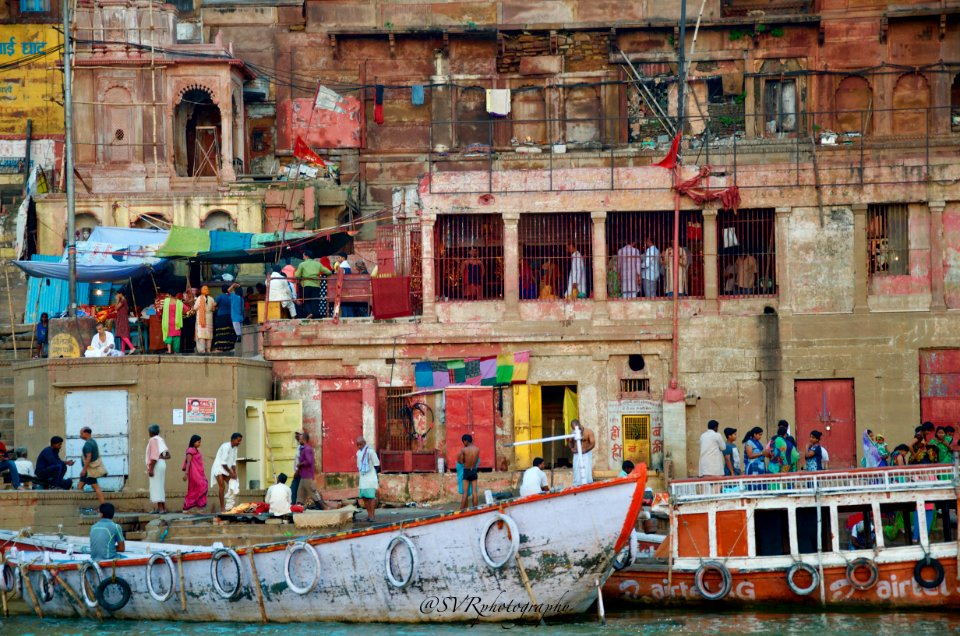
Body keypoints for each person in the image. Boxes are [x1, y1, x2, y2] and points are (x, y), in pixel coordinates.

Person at [296, 431, 328, 509]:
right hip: (303, 476)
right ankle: (299, 508)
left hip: (307, 476)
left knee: (313, 493)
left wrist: (300, 464)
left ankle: (324, 508)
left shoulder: (307, 449)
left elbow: (309, 461)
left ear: (303, 440)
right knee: (300, 494)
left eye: (300, 439)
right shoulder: (304, 449)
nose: (299, 441)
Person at [210, 433, 242, 513]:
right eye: (238, 441)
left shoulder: (235, 448)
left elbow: (234, 462)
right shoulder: (225, 446)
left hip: (227, 469)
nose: (239, 443)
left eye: (240, 441)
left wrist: (234, 472)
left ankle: (229, 505)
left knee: (233, 484)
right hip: (219, 468)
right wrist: (231, 473)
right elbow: (223, 463)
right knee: (222, 487)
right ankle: (222, 508)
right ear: (233, 440)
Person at [295, 251, 332, 319]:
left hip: (306, 285)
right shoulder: (318, 264)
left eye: (303, 256)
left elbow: (297, 275)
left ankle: (310, 313)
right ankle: (315, 317)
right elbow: (329, 272)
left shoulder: (302, 264)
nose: (303, 257)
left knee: (306, 301)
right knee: (315, 301)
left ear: (307, 256)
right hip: (316, 285)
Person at [145, 424, 170, 514]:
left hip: (156, 465)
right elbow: (167, 455)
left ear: (151, 432)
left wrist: (151, 469)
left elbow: (154, 457)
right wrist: (160, 457)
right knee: (160, 486)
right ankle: (163, 508)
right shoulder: (160, 440)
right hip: (161, 464)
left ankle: (160, 509)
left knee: (156, 486)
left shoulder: (153, 440)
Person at [78, 426, 106, 505]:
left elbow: (88, 457)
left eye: (81, 433)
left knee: (95, 487)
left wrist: (84, 469)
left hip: (89, 470)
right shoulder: (93, 441)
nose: (80, 435)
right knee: (80, 486)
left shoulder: (88, 444)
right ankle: (77, 505)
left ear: (86, 433)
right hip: (89, 470)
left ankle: (103, 506)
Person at [356, 436, 380, 521]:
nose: (359, 446)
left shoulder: (371, 452)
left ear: (364, 443)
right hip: (363, 478)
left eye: (360, 444)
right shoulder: (358, 453)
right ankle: (369, 515)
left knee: (371, 497)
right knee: (364, 497)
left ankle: (372, 516)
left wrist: (374, 476)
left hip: (370, 477)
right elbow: (358, 466)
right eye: (357, 445)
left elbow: (377, 464)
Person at [182, 434, 207, 513]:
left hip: (199, 473)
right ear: (194, 442)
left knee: (201, 486)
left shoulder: (196, 450)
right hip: (193, 473)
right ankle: (187, 506)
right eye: (198, 442)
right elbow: (188, 462)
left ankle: (198, 507)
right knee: (199, 487)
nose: (200, 444)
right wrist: (186, 473)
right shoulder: (190, 450)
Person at [568, 420, 596, 486]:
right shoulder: (572, 433)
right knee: (576, 472)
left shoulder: (589, 431)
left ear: (579, 425)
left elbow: (593, 444)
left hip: (586, 454)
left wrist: (585, 450)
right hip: (577, 455)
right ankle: (577, 485)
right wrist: (571, 448)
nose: (576, 430)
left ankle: (588, 485)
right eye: (574, 428)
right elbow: (569, 442)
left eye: (577, 428)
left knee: (586, 471)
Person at [457, 434, 480, 509]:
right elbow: (476, 460)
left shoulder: (464, 450)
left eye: (463, 442)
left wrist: (461, 457)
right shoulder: (477, 449)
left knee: (465, 493)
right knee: (474, 492)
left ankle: (460, 511)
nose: (464, 443)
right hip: (473, 470)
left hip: (467, 470)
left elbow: (461, 461)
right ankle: (475, 509)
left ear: (465, 441)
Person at [192, 285, 216, 354]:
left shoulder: (199, 298)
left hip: (201, 319)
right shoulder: (211, 299)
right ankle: (208, 349)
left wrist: (194, 301)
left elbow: (195, 308)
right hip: (209, 318)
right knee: (209, 335)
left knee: (201, 334)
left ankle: (202, 350)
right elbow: (213, 309)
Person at [213, 285, 237, 351]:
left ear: (222, 290)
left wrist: (217, 307)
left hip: (221, 316)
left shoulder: (220, 296)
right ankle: (229, 347)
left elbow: (214, 305)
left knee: (221, 331)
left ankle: (220, 348)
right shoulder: (231, 297)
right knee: (228, 331)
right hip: (229, 316)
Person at [290, 431, 303, 505]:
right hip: (299, 472)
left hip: (300, 472)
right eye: (296, 435)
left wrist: (297, 472)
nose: (296, 437)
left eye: (298, 435)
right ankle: (294, 504)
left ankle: (292, 504)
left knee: (294, 489)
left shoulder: (303, 448)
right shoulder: (299, 446)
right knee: (295, 489)